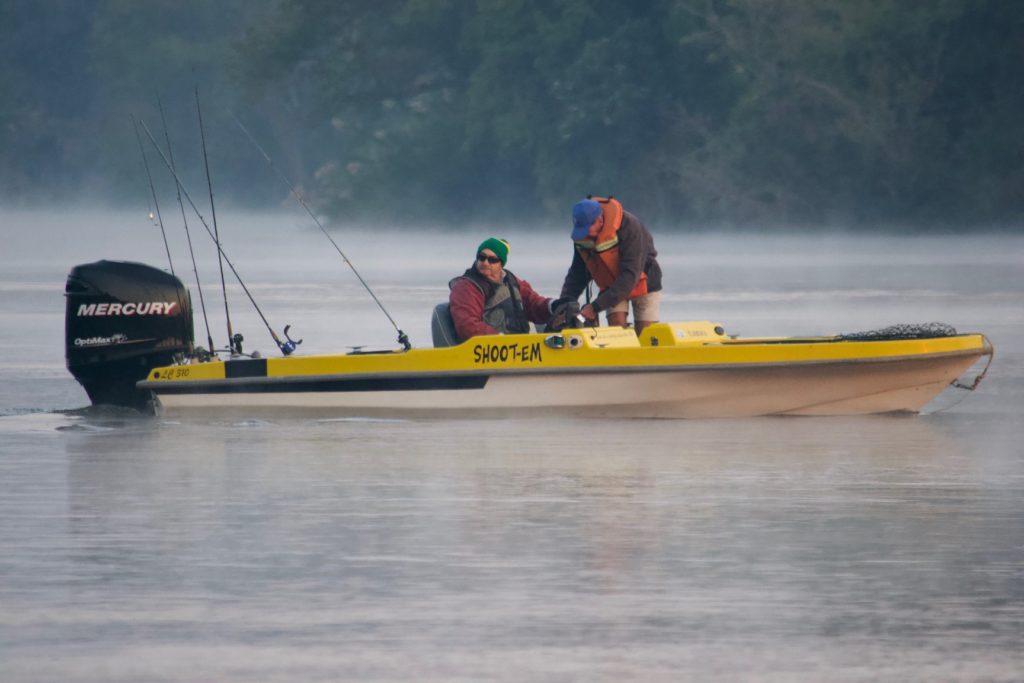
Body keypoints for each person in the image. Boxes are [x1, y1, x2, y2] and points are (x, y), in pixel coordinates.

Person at [558, 196, 662, 335]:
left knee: (646, 334)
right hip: (612, 285)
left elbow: (629, 277)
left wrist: (595, 307)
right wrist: (563, 305)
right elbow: (577, 275)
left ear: (600, 220)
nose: (585, 235)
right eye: (580, 229)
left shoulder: (630, 227)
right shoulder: (583, 237)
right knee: (616, 329)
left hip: (644, 280)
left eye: (587, 228)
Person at [448, 237, 555, 342]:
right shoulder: (465, 288)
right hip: (487, 351)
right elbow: (467, 325)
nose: (485, 262)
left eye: (492, 260)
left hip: (519, 347)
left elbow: (533, 304)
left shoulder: (511, 281)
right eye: (482, 257)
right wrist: (500, 339)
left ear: (501, 264)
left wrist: (552, 305)